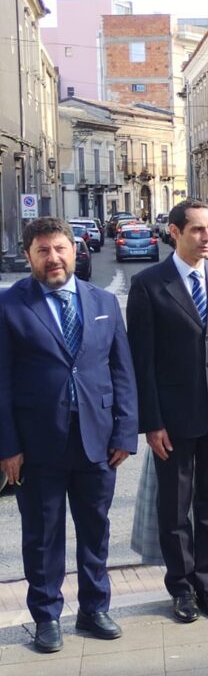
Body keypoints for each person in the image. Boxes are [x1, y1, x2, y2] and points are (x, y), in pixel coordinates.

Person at [0, 217, 139, 652]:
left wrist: (125, 431)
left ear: (75, 250)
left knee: (95, 529)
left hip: (96, 439)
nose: (53, 258)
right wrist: (8, 447)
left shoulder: (103, 301)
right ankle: (47, 616)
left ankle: (95, 608)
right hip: (37, 445)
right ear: (29, 257)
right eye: (42, 250)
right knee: (42, 536)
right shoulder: (10, 306)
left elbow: (122, 371)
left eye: (60, 248)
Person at [126, 199, 208, 624]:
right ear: (175, 232)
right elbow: (142, 362)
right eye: (197, 229)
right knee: (175, 509)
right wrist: (152, 422)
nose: (206, 238)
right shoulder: (148, 284)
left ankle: (207, 584)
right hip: (174, 420)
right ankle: (180, 587)